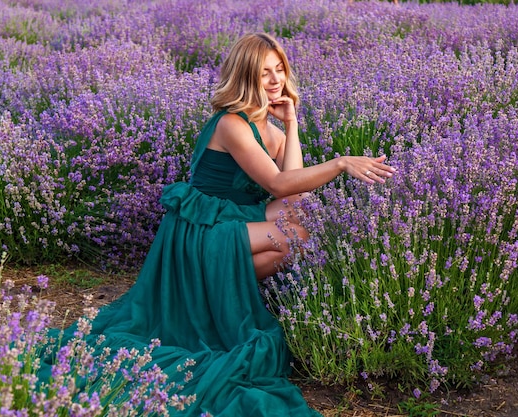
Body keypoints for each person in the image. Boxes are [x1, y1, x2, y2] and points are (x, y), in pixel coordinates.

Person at [39, 32, 395, 416]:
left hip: (229, 221)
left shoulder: (267, 126)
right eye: (264, 74)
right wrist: (341, 162)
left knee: (301, 220)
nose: (275, 81)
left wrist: (292, 124)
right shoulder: (232, 124)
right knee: (296, 235)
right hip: (198, 231)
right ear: (245, 77)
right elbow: (277, 184)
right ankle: (210, 287)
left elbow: (294, 194)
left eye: (279, 70)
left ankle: (212, 287)